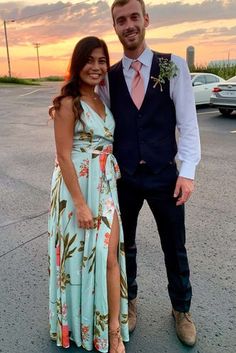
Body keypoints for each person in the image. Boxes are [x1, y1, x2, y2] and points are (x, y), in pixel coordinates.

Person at [98, 0, 201, 347]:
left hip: (164, 176)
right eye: (120, 20)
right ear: (115, 27)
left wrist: (186, 172)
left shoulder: (171, 66)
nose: (128, 25)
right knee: (123, 247)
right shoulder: (108, 78)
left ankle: (181, 309)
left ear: (146, 20)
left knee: (175, 246)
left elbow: (187, 123)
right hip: (124, 179)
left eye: (133, 17)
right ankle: (129, 303)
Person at [48, 36, 129, 353]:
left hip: (105, 185)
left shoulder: (101, 101)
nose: (96, 67)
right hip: (76, 191)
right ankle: (85, 328)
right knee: (79, 261)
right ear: (77, 63)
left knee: (109, 256)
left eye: (102, 61)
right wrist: (80, 204)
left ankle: (110, 331)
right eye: (90, 60)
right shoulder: (69, 104)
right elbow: (64, 156)